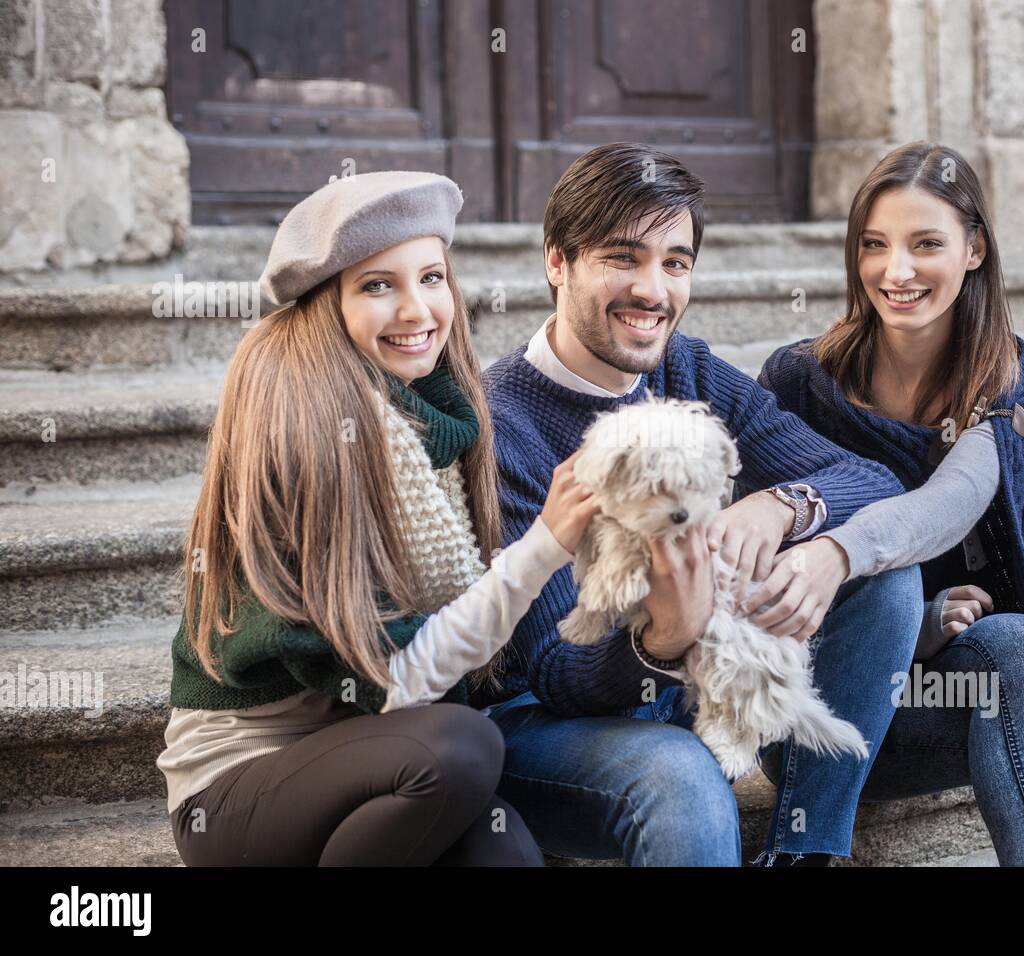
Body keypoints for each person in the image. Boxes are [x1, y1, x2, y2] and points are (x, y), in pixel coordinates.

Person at [476, 143, 925, 866]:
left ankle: (806, 851)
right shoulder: (505, 425)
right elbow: (556, 673)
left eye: (675, 263)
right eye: (624, 258)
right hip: (543, 727)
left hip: (696, 680)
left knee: (878, 571)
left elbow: (873, 481)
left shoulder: (689, 369)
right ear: (557, 262)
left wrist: (785, 511)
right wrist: (664, 638)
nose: (653, 291)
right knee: (682, 777)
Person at [156, 171, 596, 866]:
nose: (418, 309)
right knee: (461, 748)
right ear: (324, 307)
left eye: (431, 277)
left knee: (501, 846)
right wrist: (545, 545)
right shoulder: (312, 433)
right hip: (239, 793)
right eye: (377, 285)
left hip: (372, 758)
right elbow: (398, 686)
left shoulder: (432, 420)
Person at [758, 141, 1024, 866]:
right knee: (892, 578)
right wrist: (907, 621)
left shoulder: (997, 376)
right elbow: (760, 597)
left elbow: (954, 502)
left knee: (1020, 646)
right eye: (873, 245)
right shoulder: (799, 380)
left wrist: (851, 560)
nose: (895, 271)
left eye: (925, 244)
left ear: (974, 249)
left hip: (919, 714)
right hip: (808, 720)